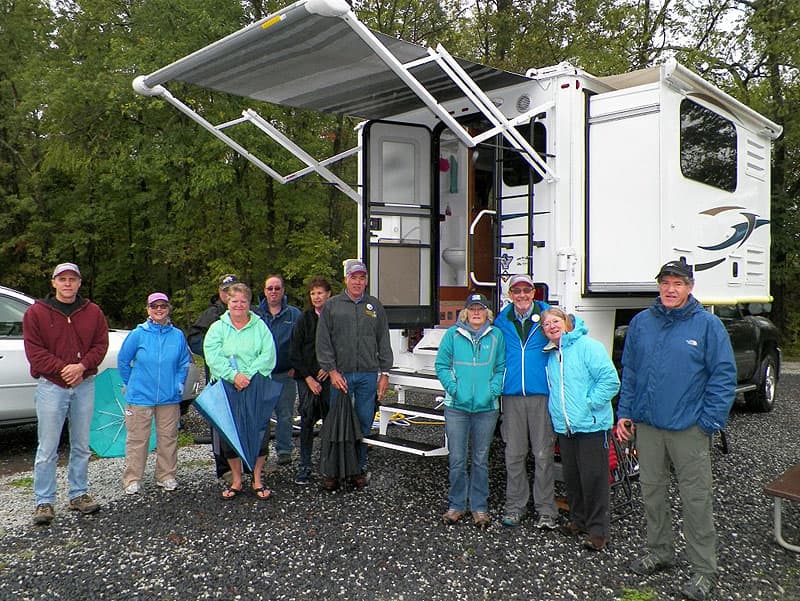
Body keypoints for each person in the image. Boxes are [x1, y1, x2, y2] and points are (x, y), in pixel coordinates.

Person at [616, 260, 736, 601]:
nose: (671, 289)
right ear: (659, 286)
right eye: (666, 282)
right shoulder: (641, 323)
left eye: (678, 284)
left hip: (688, 430)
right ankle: (660, 551)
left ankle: (704, 570)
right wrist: (625, 412)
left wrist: (709, 423)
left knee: (696, 500)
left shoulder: (708, 326)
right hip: (649, 427)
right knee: (652, 493)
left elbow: (723, 377)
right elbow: (632, 373)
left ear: (690, 287)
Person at [23, 262, 109, 525]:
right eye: (62, 279)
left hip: (84, 384)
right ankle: (44, 501)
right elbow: (34, 352)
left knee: (81, 444)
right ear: (53, 283)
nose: (68, 283)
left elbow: (101, 344)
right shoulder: (36, 313)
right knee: (47, 447)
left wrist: (82, 367)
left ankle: (79, 494)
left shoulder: (92, 312)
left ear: (79, 283)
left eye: (72, 279)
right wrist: (64, 369)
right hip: (52, 386)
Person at [541, 307, 620, 551]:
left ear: (566, 323)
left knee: (594, 478)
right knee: (573, 477)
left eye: (556, 321)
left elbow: (610, 381)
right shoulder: (553, 354)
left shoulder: (588, 347)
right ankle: (579, 520)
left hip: (591, 425)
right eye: (546, 324)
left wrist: (589, 404)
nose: (552, 326)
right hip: (566, 427)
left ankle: (599, 531)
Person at [316, 259, 393, 489]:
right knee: (337, 423)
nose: (358, 282)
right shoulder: (332, 306)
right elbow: (323, 342)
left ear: (366, 280)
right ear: (345, 280)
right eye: (354, 277)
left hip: (368, 376)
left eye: (362, 277)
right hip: (341, 375)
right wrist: (331, 370)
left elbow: (383, 340)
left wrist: (385, 373)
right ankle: (333, 472)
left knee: (363, 422)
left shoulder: (374, 306)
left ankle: (357, 469)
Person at [435, 293, 505, 529]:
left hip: (487, 408)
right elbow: (441, 365)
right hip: (456, 408)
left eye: (481, 308)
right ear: (465, 312)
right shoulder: (452, 335)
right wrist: (454, 389)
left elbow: (501, 367)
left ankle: (479, 508)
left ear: (487, 312)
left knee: (480, 459)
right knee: (456, 458)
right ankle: (456, 505)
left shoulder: (496, 336)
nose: (476, 312)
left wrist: (492, 391)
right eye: (472, 309)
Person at [494, 274, 559, 529]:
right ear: (510, 294)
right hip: (511, 395)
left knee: (543, 454)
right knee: (514, 453)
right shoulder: (502, 321)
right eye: (517, 290)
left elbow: (573, 330)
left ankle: (546, 510)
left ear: (534, 293)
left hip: (541, 394)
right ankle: (515, 506)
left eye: (527, 290)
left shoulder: (547, 316)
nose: (522, 295)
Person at [204, 283, 277, 499]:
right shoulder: (217, 328)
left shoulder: (260, 327)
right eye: (234, 301)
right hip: (228, 386)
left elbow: (268, 355)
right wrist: (233, 376)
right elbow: (212, 355)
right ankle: (236, 479)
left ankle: (257, 479)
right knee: (230, 434)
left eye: (243, 301)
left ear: (249, 303)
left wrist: (248, 375)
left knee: (259, 433)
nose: (238, 305)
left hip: (256, 385)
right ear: (228, 302)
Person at [118, 293, 192, 495]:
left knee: (168, 437)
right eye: (154, 306)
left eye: (163, 306)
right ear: (147, 309)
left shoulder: (177, 335)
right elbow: (123, 361)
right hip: (140, 396)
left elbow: (184, 362)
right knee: (137, 439)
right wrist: (131, 382)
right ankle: (132, 478)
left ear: (168, 308)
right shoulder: (138, 334)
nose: (159, 309)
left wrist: (178, 383)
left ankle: (166, 475)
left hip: (169, 397)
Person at [187, 273, 239, 480]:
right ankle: (224, 467)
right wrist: (216, 354)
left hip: (243, 378)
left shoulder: (248, 311)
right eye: (225, 290)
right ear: (219, 292)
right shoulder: (211, 314)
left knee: (243, 419)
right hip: (218, 378)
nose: (228, 294)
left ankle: (246, 463)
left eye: (233, 289)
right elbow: (194, 339)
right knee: (220, 421)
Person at [290, 276, 332, 485]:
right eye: (313, 293)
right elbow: (295, 352)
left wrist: (329, 368)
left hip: (329, 377)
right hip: (307, 380)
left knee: (330, 422)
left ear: (329, 294)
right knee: (306, 422)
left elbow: (342, 347)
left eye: (320, 292)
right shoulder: (304, 319)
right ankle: (305, 466)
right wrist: (308, 378)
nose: (316, 297)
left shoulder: (335, 318)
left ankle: (329, 466)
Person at [258, 274, 302, 466]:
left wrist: (296, 365)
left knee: (285, 415)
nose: (273, 292)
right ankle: (261, 452)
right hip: (262, 375)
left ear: (283, 290)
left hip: (286, 374)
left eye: (277, 288)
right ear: (264, 291)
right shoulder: (255, 315)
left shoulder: (294, 315)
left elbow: (302, 342)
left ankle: (284, 450)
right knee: (262, 416)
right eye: (270, 288)